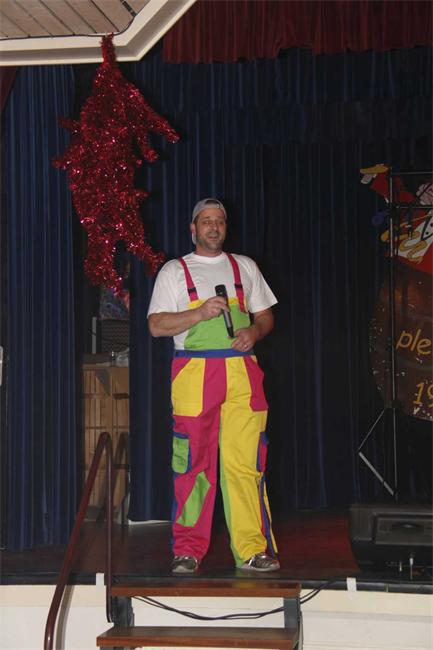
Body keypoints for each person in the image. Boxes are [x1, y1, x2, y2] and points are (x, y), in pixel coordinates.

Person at [147, 198, 279, 574]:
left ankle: (252, 549)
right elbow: (155, 326)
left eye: (219, 220)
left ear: (225, 226)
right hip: (194, 373)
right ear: (193, 229)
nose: (213, 226)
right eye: (206, 221)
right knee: (193, 463)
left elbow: (266, 316)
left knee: (246, 464)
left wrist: (254, 332)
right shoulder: (174, 271)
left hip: (242, 373)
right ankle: (188, 550)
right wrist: (198, 313)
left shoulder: (245, 266)